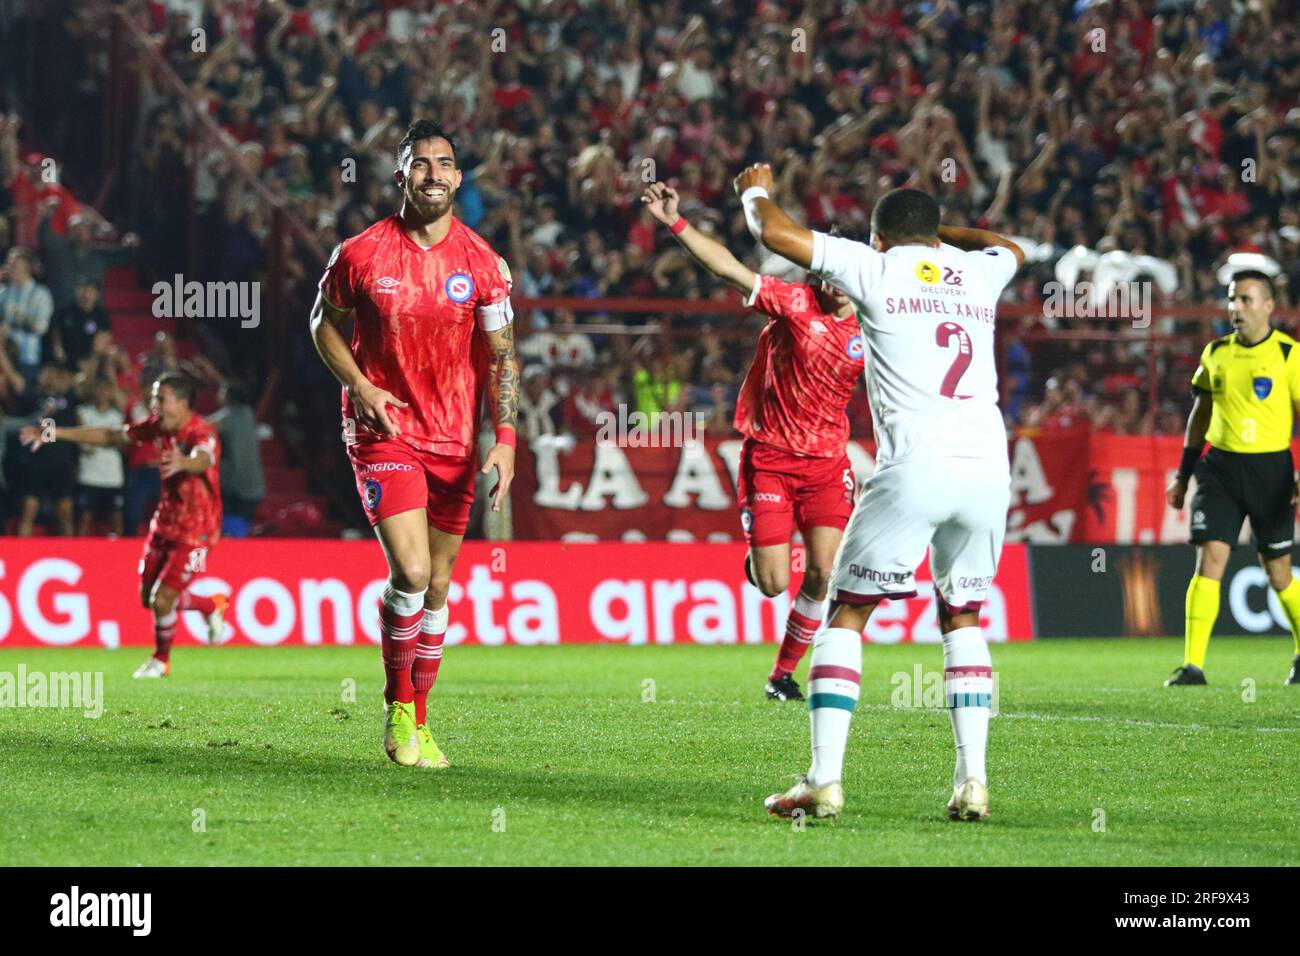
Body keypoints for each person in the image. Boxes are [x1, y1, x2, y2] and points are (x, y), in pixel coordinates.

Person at [737, 166, 1023, 823]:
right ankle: (972, 783)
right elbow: (1011, 245)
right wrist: (936, 232)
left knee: (847, 614)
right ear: (932, 235)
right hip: (988, 467)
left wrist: (753, 188)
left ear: (879, 237)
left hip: (916, 466)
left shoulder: (875, 266)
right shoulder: (981, 272)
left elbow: (772, 230)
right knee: (963, 617)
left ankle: (823, 781)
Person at [309, 119, 518, 771]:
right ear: (400, 175)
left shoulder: (483, 263)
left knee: (439, 587)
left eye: (444, 163)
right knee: (413, 572)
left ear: (458, 178)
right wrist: (361, 388)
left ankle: (420, 721)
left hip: (455, 438)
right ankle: (398, 712)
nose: (433, 173)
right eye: (419, 163)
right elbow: (324, 325)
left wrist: (505, 438)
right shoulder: (362, 254)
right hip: (385, 431)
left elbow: (502, 357)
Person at [642, 181, 865, 703]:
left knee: (824, 571)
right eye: (824, 269)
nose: (830, 280)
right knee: (771, 584)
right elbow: (727, 269)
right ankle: (758, 558)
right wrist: (676, 222)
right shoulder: (793, 303)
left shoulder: (875, 325)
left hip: (828, 465)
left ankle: (782, 674)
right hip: (771, 458)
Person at [21, 373, 228, 678]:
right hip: (165, 523)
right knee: (149, 598)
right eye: (154, 397)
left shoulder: (201, 432)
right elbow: (111, 436)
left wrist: (185, 463)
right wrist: (55, 433)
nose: (153, 403)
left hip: (198, 532)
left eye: (161, 398)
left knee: (162, 599)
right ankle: (210, 606)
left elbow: (203, 458)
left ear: (182, 403)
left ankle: (160, 661)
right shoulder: (157, 427)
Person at [1165, 271, 1300, 687]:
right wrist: (1183, 475)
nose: (1235, 308)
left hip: (1271, 471)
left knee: (1278, 572)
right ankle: (1193, 665)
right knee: (1209, 561)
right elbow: (1200, 416)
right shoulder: (1215, 353)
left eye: (1245, 299)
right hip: (1220, 469)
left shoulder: (1288, 355)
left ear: (1267, 306)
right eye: (1231, 299)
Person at [208, 380, 265, 538]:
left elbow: (202, 426)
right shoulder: (248, 413)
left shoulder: (229, 415)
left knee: (231, 534)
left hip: (238, 488)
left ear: (227, 396)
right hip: (255, 486)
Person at [75, 376, 126, 536]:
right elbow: (80, 439)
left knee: (116, 517)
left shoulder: (117, 416)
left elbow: (120, 443)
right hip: (90, 475)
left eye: (106, 390)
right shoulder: (83, 412)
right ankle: (78, 552)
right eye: (99, 389)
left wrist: (95, 440)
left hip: (112, 476)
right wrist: (106, 440)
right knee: (85, 517)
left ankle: (120, 553)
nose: (102, 393)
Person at [0, 247, 54, 386]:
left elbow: (41, 327)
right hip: (4, 356)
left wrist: (19, 320)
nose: (8, 268)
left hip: (27, 359)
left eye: (13, 265)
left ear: (26, 268)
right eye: (8, 264)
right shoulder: (4, 292)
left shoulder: (41, 294)